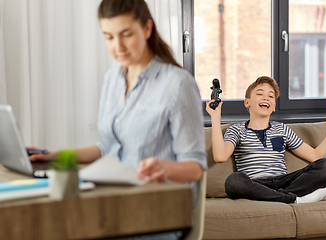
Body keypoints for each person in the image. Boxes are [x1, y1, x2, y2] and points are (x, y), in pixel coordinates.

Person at [30, 0, 206, 238]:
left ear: (146, 29)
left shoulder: (178, 84)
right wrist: (55, 155)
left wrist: (164, 167)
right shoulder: (112, 79)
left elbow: (194, 167)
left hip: (158, 211)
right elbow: (109, 146)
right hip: (112, 201)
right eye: (109, 37)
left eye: (126, 34)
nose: (118, 46)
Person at [206, 76, 326, 204]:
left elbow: (316, 156)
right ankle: (294, 199)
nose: (266, 98)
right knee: (233, 181)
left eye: (271, 96)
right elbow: (220, 156)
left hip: (284, 181)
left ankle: (281, 196)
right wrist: (215, 117)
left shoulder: (282, 129)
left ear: (273, 106)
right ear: (247, 102)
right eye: (260, 94)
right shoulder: (236, 130)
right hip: (255, 184)